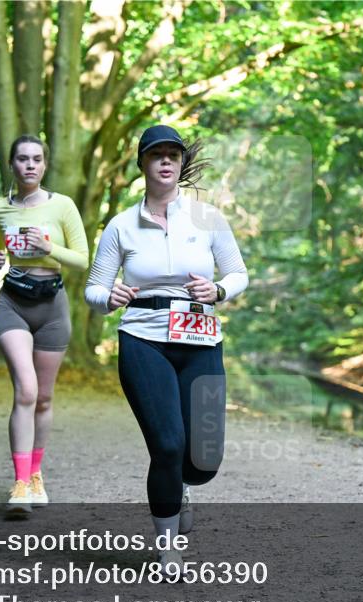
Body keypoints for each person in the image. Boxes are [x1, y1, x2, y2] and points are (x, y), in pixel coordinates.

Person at [85, 125, 248, 572]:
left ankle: (184, 485)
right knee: (169, 445)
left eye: (172, 155)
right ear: (142, 164)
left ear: (181, 163)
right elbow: (94, 290)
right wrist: (110, 296)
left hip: (199, 338)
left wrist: (216, 290)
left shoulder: (208, 218)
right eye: (156, 155)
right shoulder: (121, 225)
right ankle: (168, 547)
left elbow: (238, 274)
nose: (165, 161)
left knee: (203, 460)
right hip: (143, 338)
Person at [0, 134, 89, 516]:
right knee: (25, 390)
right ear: (12, 165)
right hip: (13, 302)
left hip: (52, 307)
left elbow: (81, 259)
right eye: (22, 159)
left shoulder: (62, 206)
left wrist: (49, 249)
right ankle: (18, 485)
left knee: (43, 397)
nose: (29, 165)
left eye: (36, 160)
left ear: (44, 165)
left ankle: (35, 474)